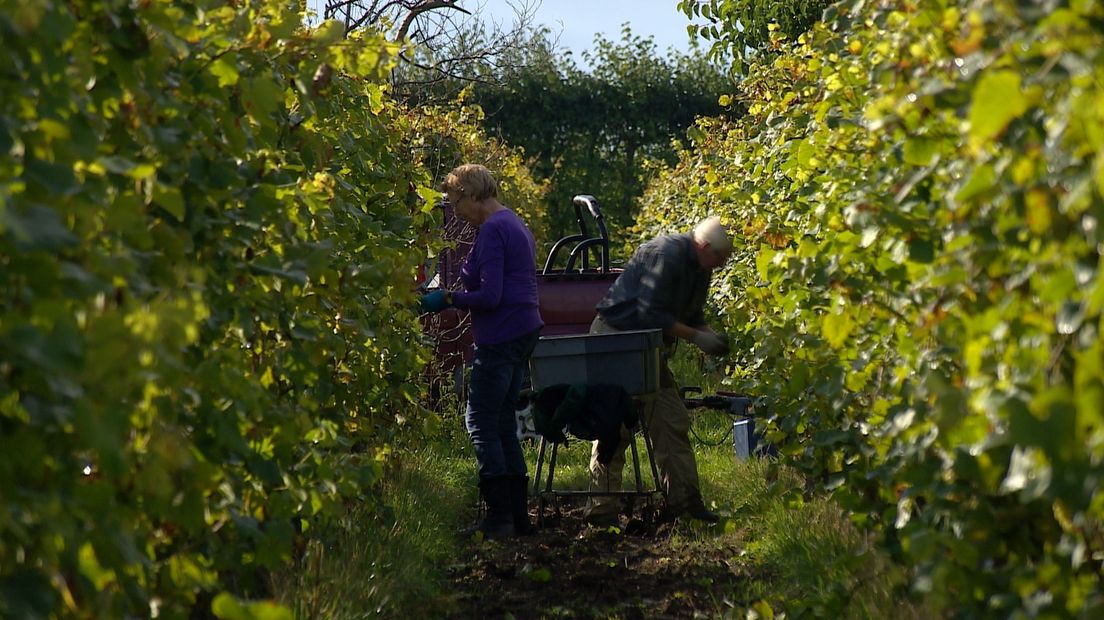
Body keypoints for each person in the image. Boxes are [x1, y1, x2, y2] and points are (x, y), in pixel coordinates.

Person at [419, 164, 543, 539]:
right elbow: (488, 277)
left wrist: (449, 298)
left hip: (501, 334)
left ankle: (498, 517)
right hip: (523, 329)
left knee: (480, 421)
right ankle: (518, 519)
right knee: (504, 420)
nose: (455, 212)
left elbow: (490, 296)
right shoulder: (511, 223)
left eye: (457, 203)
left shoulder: (492, 230)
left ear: (473, 195)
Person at [585, 215, 733, 526]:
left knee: (671, 419)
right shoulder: (666, 255)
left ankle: (685, 503)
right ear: (704, 245)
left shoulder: (701, 267)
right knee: (615, 426)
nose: (722, 263)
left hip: (648, 345)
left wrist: (708, 334)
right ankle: (601, 512)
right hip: (616, 338)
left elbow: (692, 314)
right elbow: (650, 313)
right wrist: (697, 337)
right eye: (720, 256)